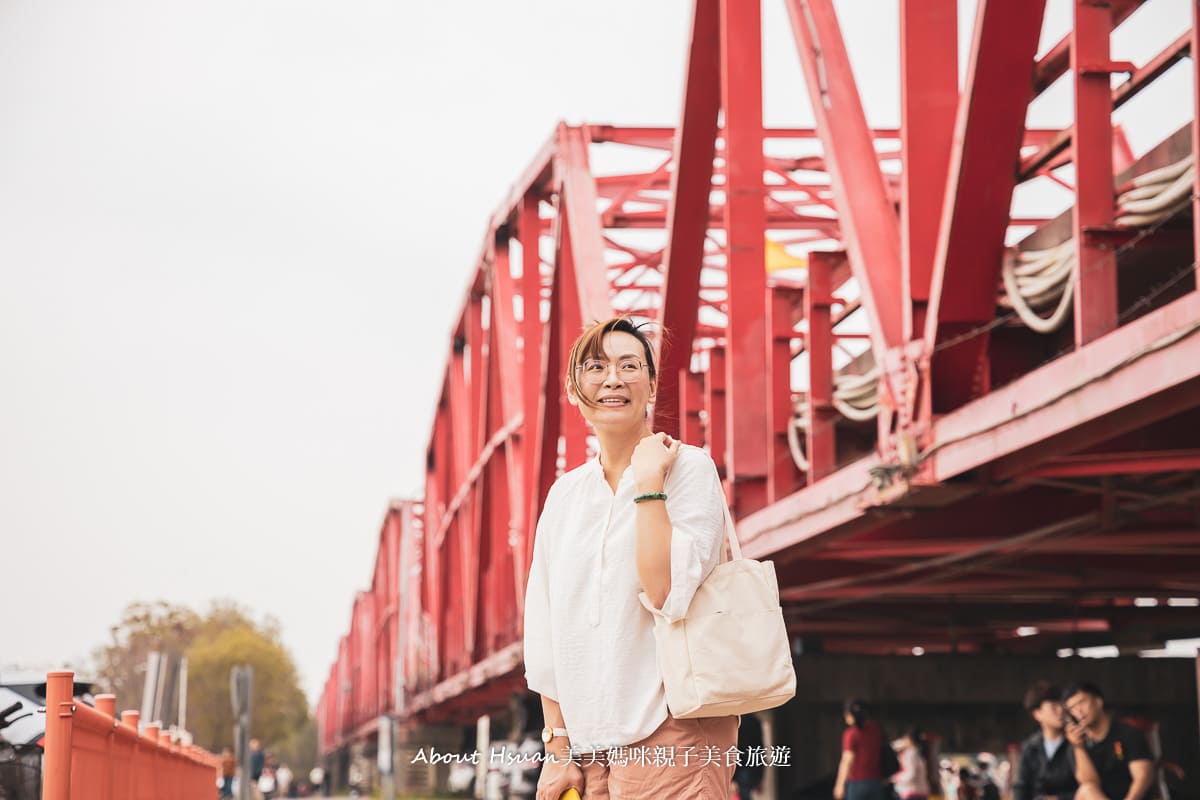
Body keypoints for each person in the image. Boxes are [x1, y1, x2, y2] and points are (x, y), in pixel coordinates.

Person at [523, 317, 736, 800]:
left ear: (652, 386)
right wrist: (558, 749)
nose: (613, 378)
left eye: (629, 365)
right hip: (589, 743)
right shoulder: (564, 496)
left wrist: (650, 487)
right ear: (574, 392)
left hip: (673, 730)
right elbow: (545, 628)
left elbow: (666, 593)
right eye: (595, 366)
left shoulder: (688, 470)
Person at [1062, 683, 1153, 800]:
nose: (1078, 710)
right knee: (1086, 790)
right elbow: (1090, 783)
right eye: (1072, 708)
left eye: (1081, 702)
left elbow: (1143, 777)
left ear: (1098, 701)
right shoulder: (1076, 744)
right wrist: (1079, 748)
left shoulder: (1127, 733)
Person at [1013, 681, 1077, 800]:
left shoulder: (1076, 743)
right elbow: (1021, 787)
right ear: (1038, 714)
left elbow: (1085, 786)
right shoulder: (1030, 747)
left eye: (1062, 705)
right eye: (1054, 706)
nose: (1061, 711)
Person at [834, 699, 885, 800]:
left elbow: (847, 760)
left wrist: (839, 785)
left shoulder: (851, 734)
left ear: (849, 715)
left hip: (857, 782)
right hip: (876, 782)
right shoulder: (876, 729)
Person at [732, 713, 765, 800]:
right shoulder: (755, 721)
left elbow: (737, 748)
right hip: (752, 765)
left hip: (742, 768)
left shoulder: (738, 721)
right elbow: (760, 748)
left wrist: (733, 778)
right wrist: (760, 778)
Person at [894, 728, 932, 800]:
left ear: (909, 739)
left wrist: (896, 777)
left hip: (911, 792)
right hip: (922, 791)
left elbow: (911, 774)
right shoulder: (922, 753)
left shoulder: (910, 754)